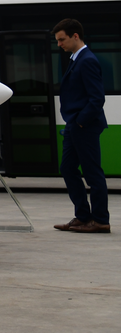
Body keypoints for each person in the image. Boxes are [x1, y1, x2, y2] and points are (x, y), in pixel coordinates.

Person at [51, 19, 110, 233]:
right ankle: (83, 216)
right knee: (67, 168)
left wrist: (80, 122)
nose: (59, 44)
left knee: (93, 173)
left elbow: (97, 98)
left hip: (84, 126)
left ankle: (101, 220)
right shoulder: (77, 59)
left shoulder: (87, 60)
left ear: (76, 36)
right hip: (75, 125)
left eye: (62, 40)